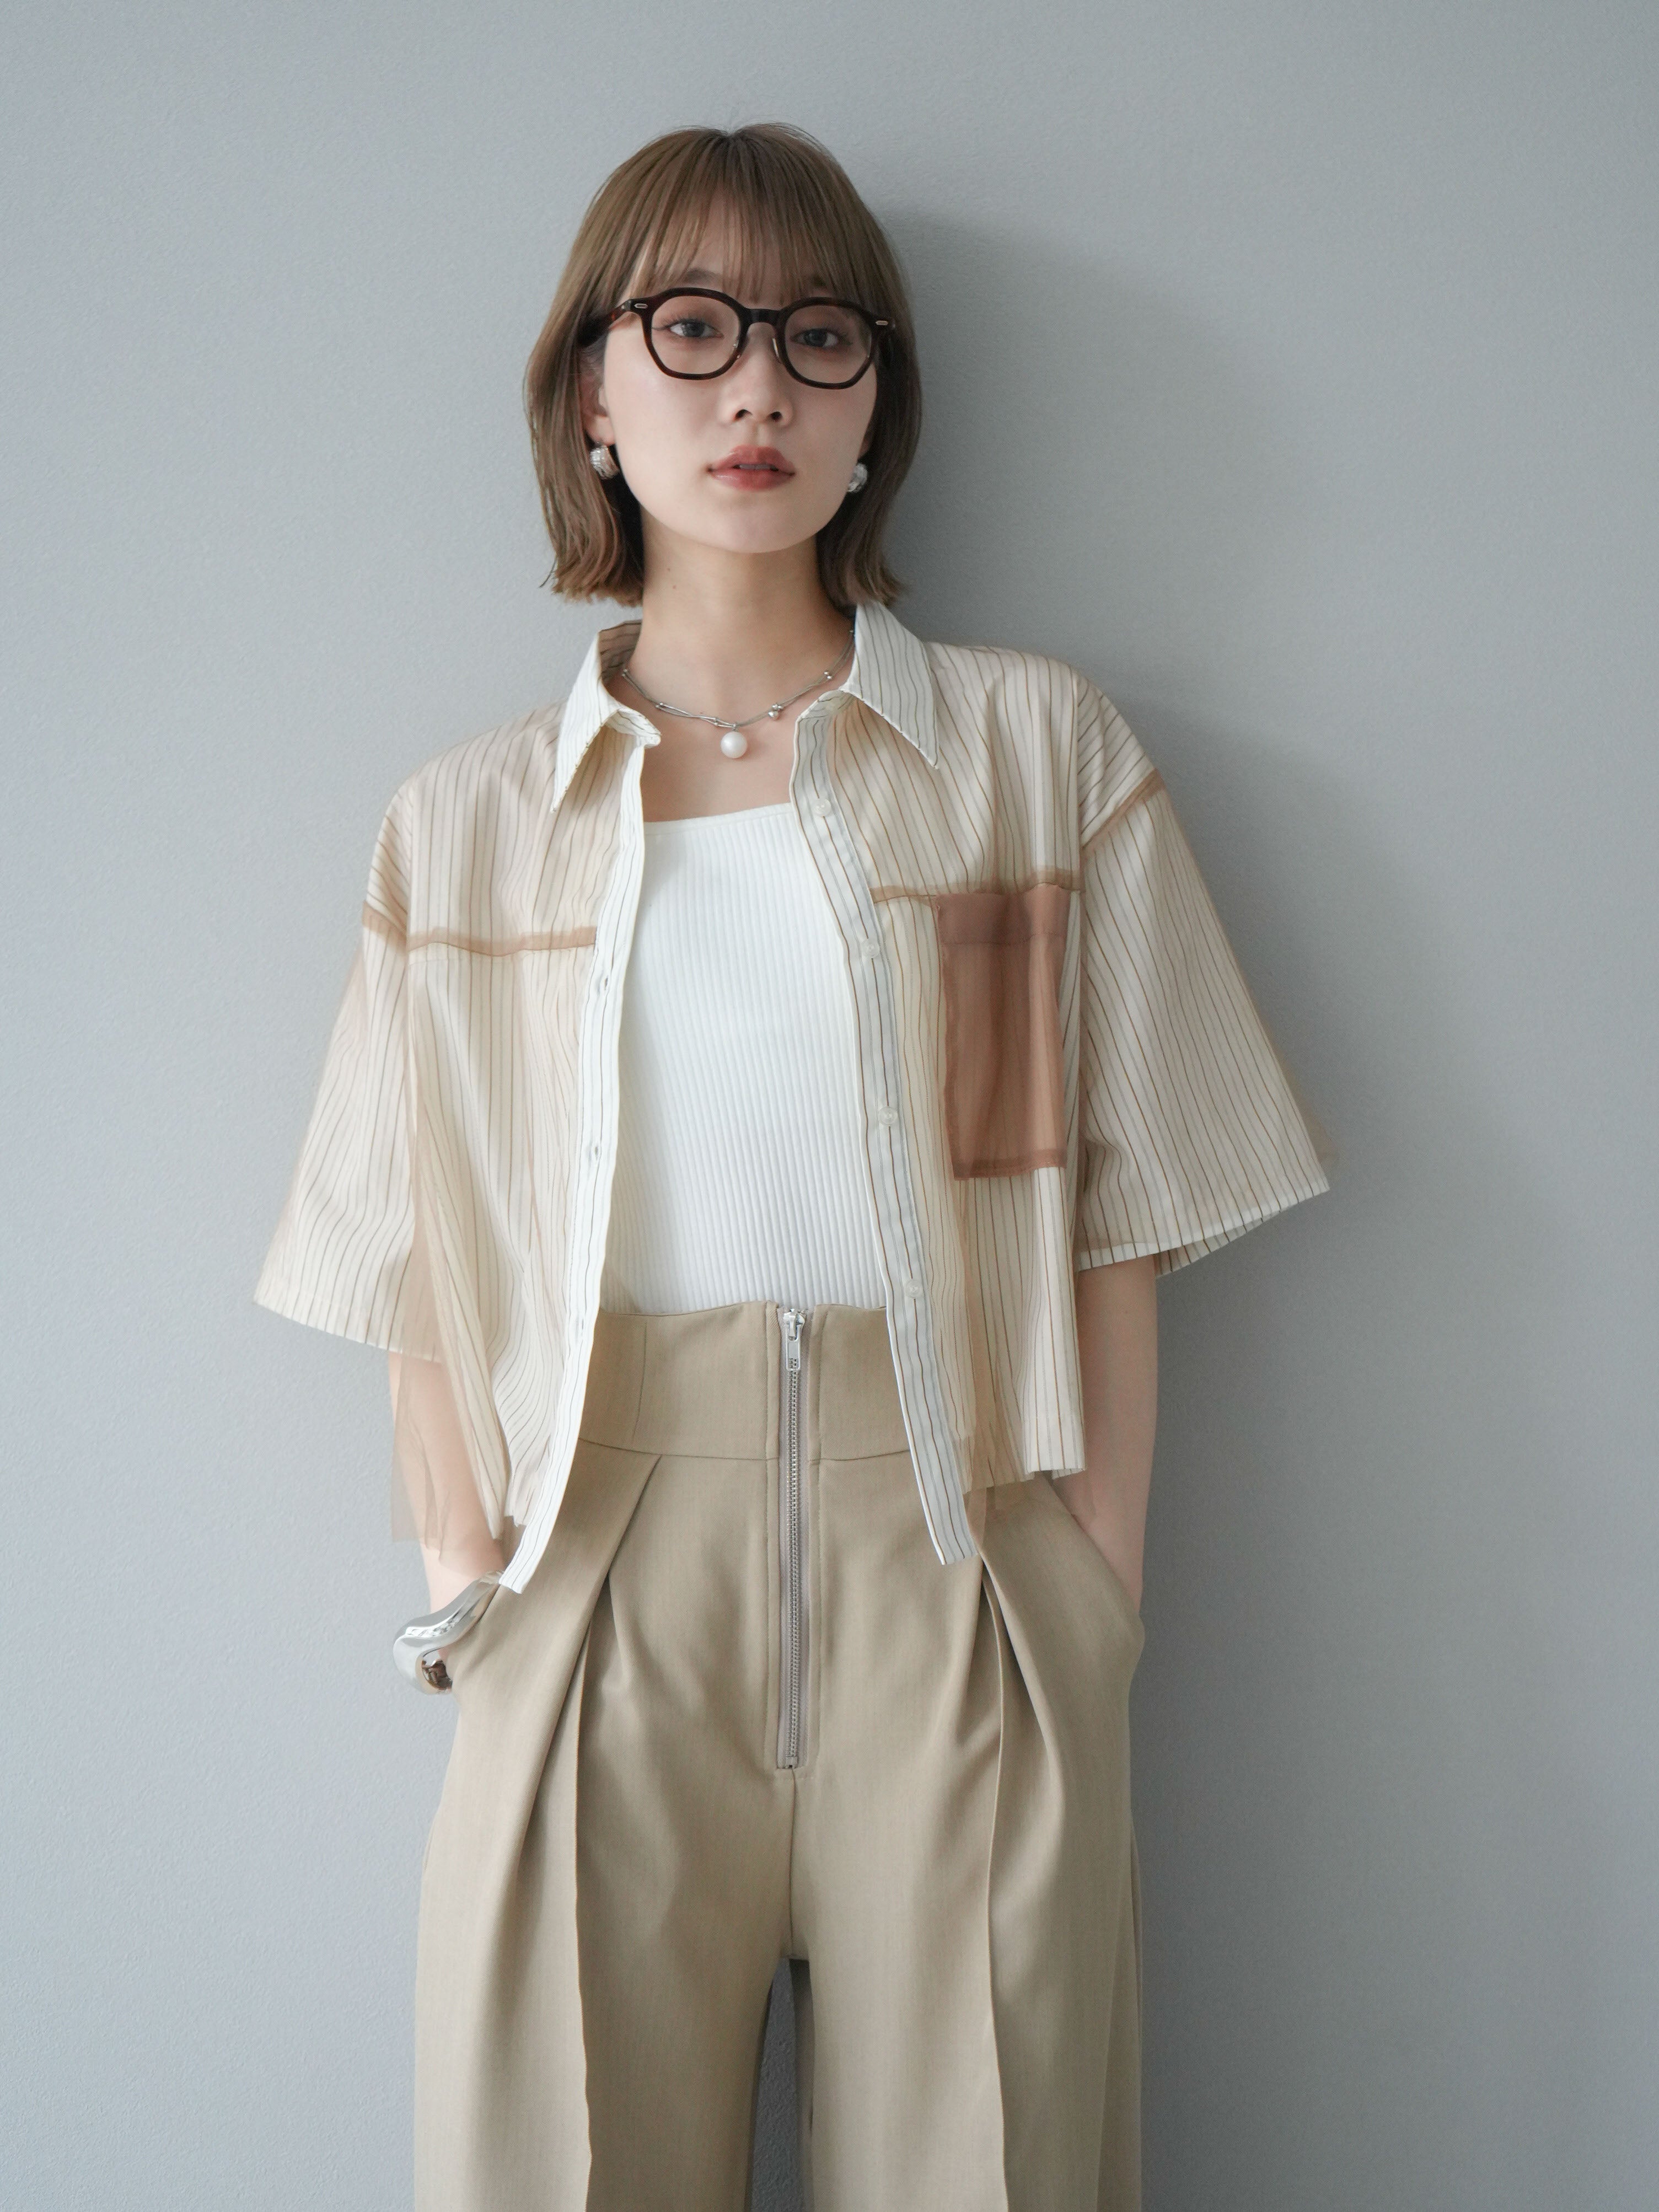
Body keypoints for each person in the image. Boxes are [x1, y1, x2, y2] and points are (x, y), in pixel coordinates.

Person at [253, 120, 1330, 2212]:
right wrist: (474, 1573)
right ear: (591, 388)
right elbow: (410, 1252)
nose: (755, 385)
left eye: (818, 337)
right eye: (692, 327)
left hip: (963, 1544)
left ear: (872, 407)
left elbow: (1116, 1199)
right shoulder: (464, 827)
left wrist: (1090, 1585)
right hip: (596, 1570)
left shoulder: (1029, 757)